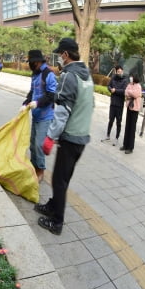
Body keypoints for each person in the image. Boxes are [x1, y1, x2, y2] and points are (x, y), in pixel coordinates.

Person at [34, 38, 94, 235]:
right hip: (81, 137)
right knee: (63, 178)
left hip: (70, 139)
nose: (59, 59)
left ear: (66, 55)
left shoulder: (70, 76)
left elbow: (63, 110)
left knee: (59, 181)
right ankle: (52, 205)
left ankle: (57, 222)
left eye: (60, 55)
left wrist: (50, 136)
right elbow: (88, 105)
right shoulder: (86, 75)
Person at [20, 49, 57, 182]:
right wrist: (26, 103)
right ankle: (33, 166)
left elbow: (51, 95)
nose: (30, 64)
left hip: (46, 115)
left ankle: (40, 170)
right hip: (36, 115)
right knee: (32, 144)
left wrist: (38, 103)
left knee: (39, 145)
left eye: (31, 62)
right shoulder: (35, 74)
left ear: (37, 61)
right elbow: (32, 92)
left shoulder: (48, 74)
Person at [103, 65, 128, 146]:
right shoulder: (113, 78)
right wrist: (111, 89)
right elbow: (108, 86)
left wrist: (115, 90)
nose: (119, 73)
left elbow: (124, 91)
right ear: (116, 72)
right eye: (118, 72)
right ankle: (107, 136)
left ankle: (116, 138)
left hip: (120, 104)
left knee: (118, 122)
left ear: (122, 71)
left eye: (121, 71)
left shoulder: (125, 80)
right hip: (113, 103)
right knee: (110, 120)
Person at [120, 74, 142, 154]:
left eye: (132, 77)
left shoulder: (138, 86)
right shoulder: (130, 84)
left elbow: (135, 94)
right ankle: (125, 145)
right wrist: (130, 93)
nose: (130, 78)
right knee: (127, 126)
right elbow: (125, 92)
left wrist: (130, 92)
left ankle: (130, 147)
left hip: (135, 109)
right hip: (129, 107)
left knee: (132, 128)